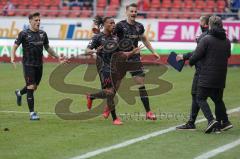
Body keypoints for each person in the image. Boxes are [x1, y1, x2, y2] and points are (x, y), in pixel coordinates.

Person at [85, 16, 143, 125]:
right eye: (111, 23)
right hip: (103, 67)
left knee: (112, 91)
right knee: (110, 93)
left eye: (114, 23)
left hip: (114, 66)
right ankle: (115, 118)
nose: (113, 25)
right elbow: (87, 50)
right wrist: (94, 51)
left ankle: (92, 96)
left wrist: (132, 52)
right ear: (105, 24)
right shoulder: (97, 37)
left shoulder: (116, 38)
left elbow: (120, 53)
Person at [11, 12, 67, 120]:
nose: (38, 22)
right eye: (36, 20)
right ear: (30, 21)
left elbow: (47, 47)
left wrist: (58, 57)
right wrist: (12, 58)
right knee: (31, 87)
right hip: (28, 65)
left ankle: (19, 93)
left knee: (34, 87)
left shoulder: (43, 34)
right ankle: (32, 113)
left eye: (39, 20)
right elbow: (14, 46)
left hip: (39, 65)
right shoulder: (23, 34)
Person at [114, 3, 159, 120]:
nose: (134, 13)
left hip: (134, 58)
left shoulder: (139, 26)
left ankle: (148, 112)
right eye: (131, 11)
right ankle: (109, 108)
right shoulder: (119, 26)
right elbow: (111, 38)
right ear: (126, 12)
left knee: (141, 84)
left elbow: (144, 39)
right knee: (116, 86)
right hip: (122, 58)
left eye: (135, 11)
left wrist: (153, 51)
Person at [188, 16, 232, 133]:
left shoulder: (206, 39)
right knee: (218, 100)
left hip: (207, 75)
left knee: (200, 97)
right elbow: (228, 55)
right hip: (221, 75)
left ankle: (211, 120)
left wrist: (190, 61)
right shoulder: (227, 40)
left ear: (210, 25)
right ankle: (225, 122)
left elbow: (197, 55)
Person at [176, 15, 210, 130]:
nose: (199, 24)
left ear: (205, 24)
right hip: (213, 70)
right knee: (216, 97)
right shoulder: (213, 36)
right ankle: (223, 121)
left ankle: (208, 121)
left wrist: (184, 56)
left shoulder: (204, 36)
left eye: (200, 22)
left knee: (197, 95)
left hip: (201, 70)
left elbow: (198, 53)